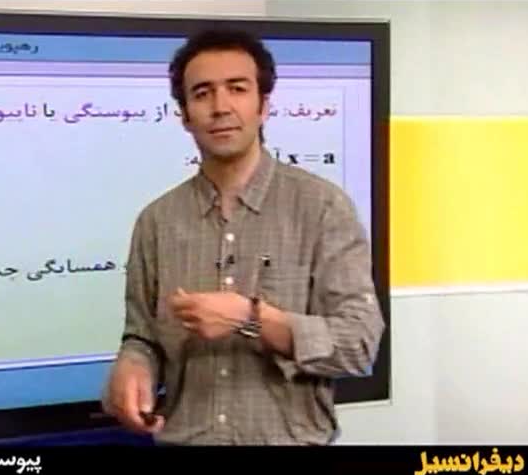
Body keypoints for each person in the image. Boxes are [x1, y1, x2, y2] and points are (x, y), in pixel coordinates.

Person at [101, 28, 385, 445]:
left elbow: (359, 344)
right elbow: (142, 335)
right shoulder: (156, 222)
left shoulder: (323, 207)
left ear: (263, 105)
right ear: (184, 114)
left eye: (237, 89)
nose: (220, 107)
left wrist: (253, 320)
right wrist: (133, 365)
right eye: (202, 94)